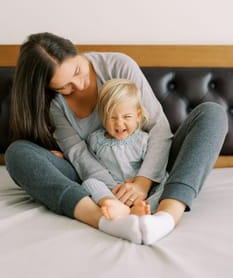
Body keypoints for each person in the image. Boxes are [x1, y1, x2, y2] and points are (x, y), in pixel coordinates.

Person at [5, 32, 228, 245]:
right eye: (65, 87)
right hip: (95, 182)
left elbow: (158, 129)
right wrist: (113, 192)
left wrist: (142, 182)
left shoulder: (117, 65)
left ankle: (168, 216)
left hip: (153, 164)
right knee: (17, 153)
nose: (80, 85)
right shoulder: (54, 105)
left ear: (77, 52)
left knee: (213, 113)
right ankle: (105, 221)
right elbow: (78, 154)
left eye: (78, 71)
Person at [82, 78, 168, 219]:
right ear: (103, 117)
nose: (119, 124)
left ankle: (146, 208)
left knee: (165, 180)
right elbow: (89, 165)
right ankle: (112, 204)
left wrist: (140, 185)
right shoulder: (95, 140)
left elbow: (154, 166)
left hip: (140, 192)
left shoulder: (143, 140)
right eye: (112, 117)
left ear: (138, 116)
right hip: (112, 190)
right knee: (89, 183)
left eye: (127, 117)